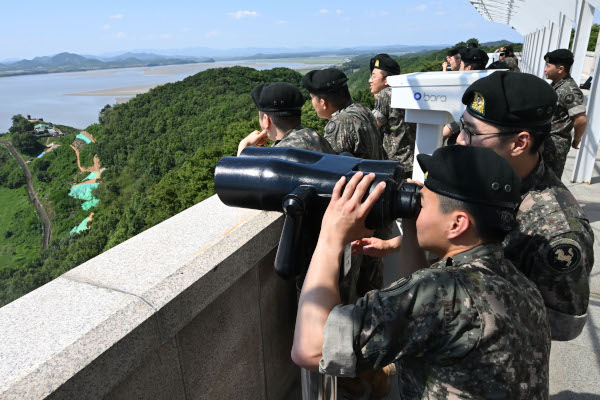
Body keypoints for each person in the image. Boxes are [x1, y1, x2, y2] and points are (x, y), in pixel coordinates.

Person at [292, 145, 551, 399]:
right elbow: (422, 309)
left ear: (457, 224)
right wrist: (411, 224)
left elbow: (312, 349)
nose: (415, 207)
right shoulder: (518, 282)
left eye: (422, 203)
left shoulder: (444, 292)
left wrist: (331, 236)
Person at [355, 71, 595, 341]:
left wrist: (472, 312)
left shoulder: (557, 228)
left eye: (472, 133)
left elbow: (565, 325)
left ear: (519, 143)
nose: (459, 140)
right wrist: (396, 245)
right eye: (461, 126)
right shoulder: (478, 178)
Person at [302, 68, 384, 160]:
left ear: (323, 103)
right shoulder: (363, 109)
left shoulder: (340, 123)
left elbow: (332, 164)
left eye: (312, 97)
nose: (312, 102)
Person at [237, 82, 335, 156]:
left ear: (266, 120)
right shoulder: (318, 139)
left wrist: (243, 148)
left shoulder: (276, 157)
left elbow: (238, 181)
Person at [369, 54, 416, 179]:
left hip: (395, 163)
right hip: (411, 159)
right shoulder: (405, 91)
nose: (370, 80)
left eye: (374, 76)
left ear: (387, 80)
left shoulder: (385, 94)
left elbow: (372, 127)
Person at [543, 49, 588, 178]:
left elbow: (581, 119)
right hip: (547, 142)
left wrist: (577, 139)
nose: (545, 69)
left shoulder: (569, 90)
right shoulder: (558, 85)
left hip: (555, 145)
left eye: (548, 66)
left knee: (551, 182)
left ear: (560, 69)